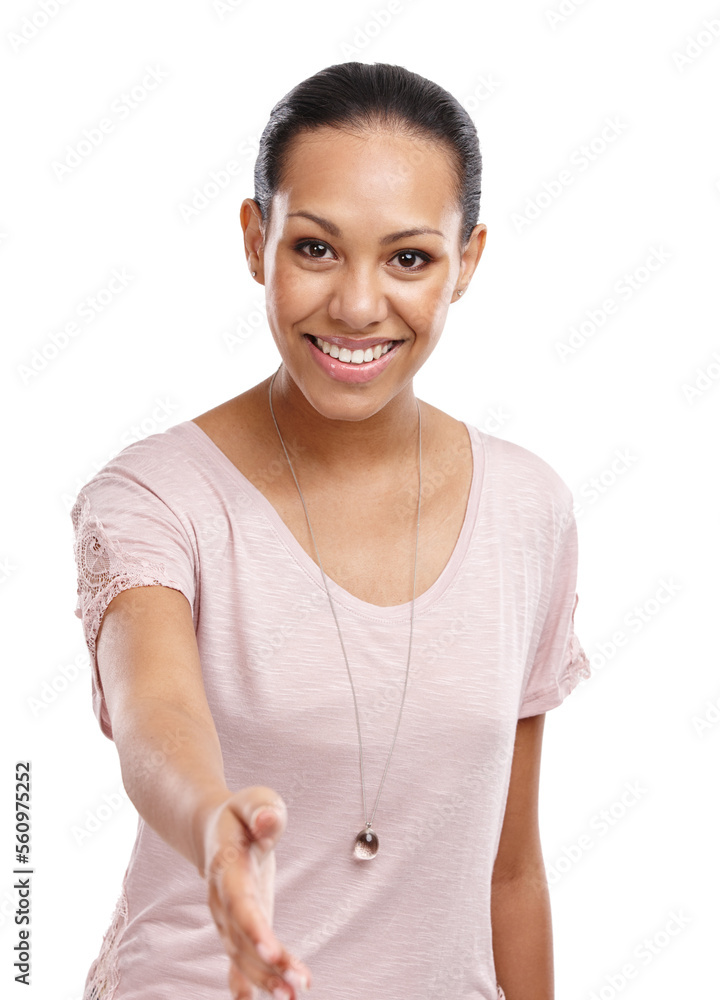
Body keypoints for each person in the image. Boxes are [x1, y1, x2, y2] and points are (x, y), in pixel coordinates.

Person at [70, 61, 591, 1000]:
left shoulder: (528, 510)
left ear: (465, 262)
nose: (356, 306)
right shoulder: (153, 495)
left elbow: (509, 869)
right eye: (314, 249)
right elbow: (157, 714)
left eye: (407, 258)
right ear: (254, 237)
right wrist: (211, 823)